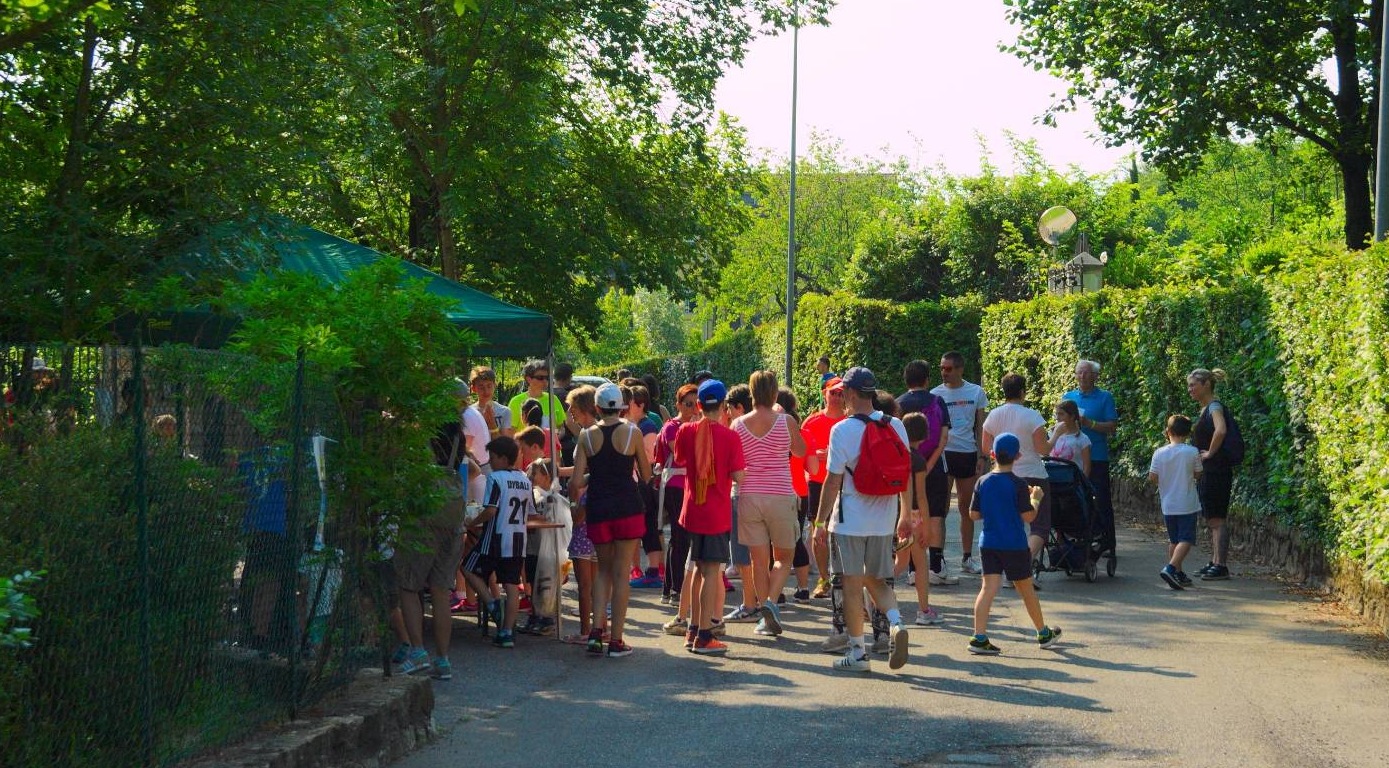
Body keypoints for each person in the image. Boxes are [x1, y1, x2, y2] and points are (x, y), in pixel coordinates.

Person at [811, 366, 910, 673]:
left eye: (843, 393)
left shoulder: (841, 430)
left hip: (850, 520)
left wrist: (818, 523)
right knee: (877, 580)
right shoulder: (896, 425)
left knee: (852, 586)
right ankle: (895, 622)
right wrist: (905, 514)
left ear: (851, 395)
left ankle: (858, 653)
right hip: (883, 519)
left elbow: (832, 481)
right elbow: (904, 472)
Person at [568, 382, 652, 657]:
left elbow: (577, 480)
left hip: (599, 508)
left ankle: (595, 632)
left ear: (597, 407)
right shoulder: (633, 432)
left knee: (602, 571)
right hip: (628, 506)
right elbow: (646, 474)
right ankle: (616, 640)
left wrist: (598, 473)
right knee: (622, 573)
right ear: (623, 407)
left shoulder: (587, 436)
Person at [967, 433, 1062, 655]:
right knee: (1026, 590)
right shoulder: (1018, 484)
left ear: (992, 454)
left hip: (988, 542)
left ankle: (979, 636)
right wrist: (1036, 499)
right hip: (1014, 544)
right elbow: (1028, 517)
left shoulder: (983, 481)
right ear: (1017, 456)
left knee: (987, 589)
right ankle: (1043, 633)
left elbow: (973, 514)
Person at [674, 379, 746, 655]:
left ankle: (693, 628)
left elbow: (680, 460)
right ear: (725, 406)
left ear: (700, 405)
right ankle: (704, 635)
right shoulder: (730, 436)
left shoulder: (686, 431)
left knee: (696, 568)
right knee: (710, 572)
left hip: (692, 508)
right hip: (715, 511)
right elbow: (738, 475)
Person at [731, 370, 806, 636]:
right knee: (784, 558)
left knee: (758, 561)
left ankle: (766, 611)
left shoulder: (737, 425)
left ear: (751, 394)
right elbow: (801, 451)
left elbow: (733, 463)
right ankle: (771, 604)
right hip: (780, 495)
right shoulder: (786, 421)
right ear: (775, 393)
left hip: (749, 496)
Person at [395, 430, 469, 676]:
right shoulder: (458, 436)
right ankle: (443, 659)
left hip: (423, 518)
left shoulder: (423, 432)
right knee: (440, 590)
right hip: (452, 519)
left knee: (408, 586)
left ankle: (417, 651)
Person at [980, 373, 1053, 584]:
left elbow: (986, 448)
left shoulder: (993, 415)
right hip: (1034, 474)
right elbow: (1043, 449)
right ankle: (1019, 566)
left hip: (1005, 475)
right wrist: (1056, 435)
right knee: (1040, 526)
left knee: (1012, 523)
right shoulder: (1033, 416)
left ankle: (1008, 570)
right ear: (1023, 391)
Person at [461, 436, 531, 649]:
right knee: (511, 586)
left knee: (467, 567)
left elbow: (491, 510)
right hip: (518, 539)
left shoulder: (496, 478)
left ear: (501, 458)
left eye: (491, 457)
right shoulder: (525, 479)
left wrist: (472, 522)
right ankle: (507, 631)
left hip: (495, 538)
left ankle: (492, 603)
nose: (489, 461)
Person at [895, 360, 955, 586]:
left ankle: (912, 566)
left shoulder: (898, 403)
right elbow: (943, 437)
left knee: (911, 512)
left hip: (907, 466)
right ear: (927, 379)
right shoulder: (938, 401)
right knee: (937, 512)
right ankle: (936, 564)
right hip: (935, 465)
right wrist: (929, 463)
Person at [932, 351, 989, 575]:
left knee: (967, 508)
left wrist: (982, 456)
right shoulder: (935, 394)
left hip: (968, 454)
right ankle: (940, 557)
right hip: (944, 454)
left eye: (948, 369)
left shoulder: (976, 392)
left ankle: (967, 557)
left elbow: (981, 426)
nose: (944, 373)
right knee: (942, 508)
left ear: (959, 369)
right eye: (941, 368)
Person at [560, 385, 601, 644]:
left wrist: (574, 502)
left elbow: (579, 478)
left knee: (584, 585)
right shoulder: (603, 432)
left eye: (573, 409)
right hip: (600, 510)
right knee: (598, 582)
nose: (570, 414)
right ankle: (599, 629)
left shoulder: (587, 435)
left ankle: (586, 631)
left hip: (584, 509)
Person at [1062, 359, 1118, 546]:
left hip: (1097, 456)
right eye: (1080, 372)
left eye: (1087, 372)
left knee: (1101, 500)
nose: (1083, 376)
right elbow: (1060, 423)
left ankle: (1108, 541)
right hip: (1072, 459)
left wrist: (1090, 423)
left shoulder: (1105, 397)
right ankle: (1078, 539)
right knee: (1073, 500)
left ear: (1095, 376)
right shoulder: (1069, 397)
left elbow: (1112, 426)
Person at [656, 383, 699, 622]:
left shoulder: (699, 426)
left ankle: (673, 588)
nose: (692, 408)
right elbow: (681, 453)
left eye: (696, 403)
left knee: (687, 538)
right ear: (678, 404)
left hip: (694, 485)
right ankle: (674, 589)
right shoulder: (672, 427)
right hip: (676, 486)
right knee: (680, 537)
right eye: (688, 404)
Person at [802, 376, 847, 599]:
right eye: (833, 393)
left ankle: (844, 577)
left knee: (842, 533)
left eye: (841, 393)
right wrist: (816, 456)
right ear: (824, 393)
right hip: (818, 482)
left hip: (845, 483)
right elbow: (798, 453)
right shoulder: (811, 422)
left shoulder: (851, 420)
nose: (837, 397)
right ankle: (823, 578)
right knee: (817, 530)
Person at [895, 412, 941, 625]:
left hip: (897, 513)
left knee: (901, 562)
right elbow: (921, 495)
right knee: (921, 564)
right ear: (924, 435)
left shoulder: (897, 454)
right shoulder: (918, 460)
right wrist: (927, 526)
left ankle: (872, 593)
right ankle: (924, 610)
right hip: (914, 516)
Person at [1189, 367, 1234, 581]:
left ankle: (1221, 564)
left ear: (1206, 384)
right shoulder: (1206, 408)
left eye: (1193, 385)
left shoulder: (1214, 406)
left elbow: (1221, 429)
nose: (1190, 390)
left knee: (1217, 518)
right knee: (1212, 518)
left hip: (1216, 470)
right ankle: (1215, 561)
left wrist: (1209, 453)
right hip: (1211, 470)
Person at [1149, 415, 1202, 590]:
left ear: (1168, 431)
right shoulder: (1192, 452)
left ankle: (1178, 573)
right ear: (1187, 434)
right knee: (1186, 539)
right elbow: (1198, 474)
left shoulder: (1159, 453)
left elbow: (1153, 477)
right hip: (1187, 502)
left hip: (1168, 503)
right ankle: (1171, 568)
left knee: (1174, 540)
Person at [777, 386, 813, 602]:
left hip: (779, 490)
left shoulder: (769, 428)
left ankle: (777, 591)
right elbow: (812, 468)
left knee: (776, 543)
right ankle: (802, 588)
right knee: (797, 540)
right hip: (800, 490)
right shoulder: (802, 432)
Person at [508, 360, 566, 435]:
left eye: (547, 377)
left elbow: (561, 427)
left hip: (550, 446)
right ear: (529, 379)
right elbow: (511, 432)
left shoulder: (553, 399)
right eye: (540, 377)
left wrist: (555, 437)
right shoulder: (516, 401)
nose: (545, 381)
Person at [1049, 400, 1091, 476]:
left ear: (1072, 416)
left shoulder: (1083, 439)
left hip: (1072, 482)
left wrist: (1082, 484)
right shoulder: (1052, 434)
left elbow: (1087, 466)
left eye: (1061, 414)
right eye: (1056, 414)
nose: (1057, 418)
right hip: (1053, 480)